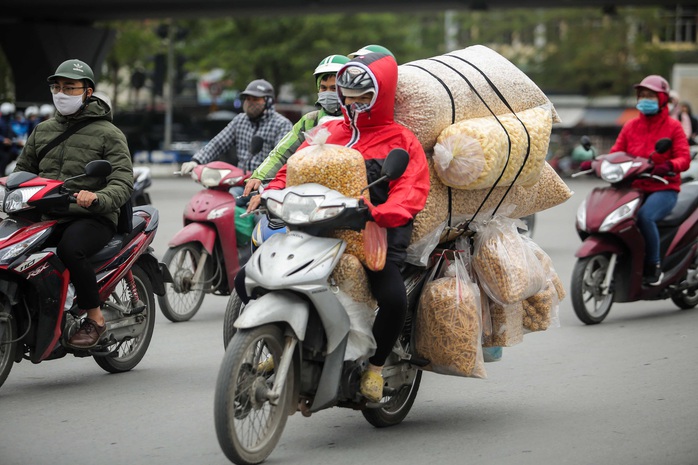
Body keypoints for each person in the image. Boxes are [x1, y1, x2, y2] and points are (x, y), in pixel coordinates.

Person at [239, 53, 430, 402]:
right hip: (315, 229)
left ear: (381, 95)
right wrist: (270, 192)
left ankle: (373, 366)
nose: (353, 104)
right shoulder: (326, 131)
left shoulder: (401, 140)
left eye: (363, 97)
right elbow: (292, 169)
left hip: (373, 234)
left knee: (391, 296)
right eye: (348, 96)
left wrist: (380, 212)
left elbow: (411, 190)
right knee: (244, 278)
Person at [14, 58, 133, 348]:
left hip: (91, 216)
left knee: (70, 248)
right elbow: (21, 172)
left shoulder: (109, 133)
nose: (61, 93)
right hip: (45, 213)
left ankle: (95, 318)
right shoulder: (42, 131)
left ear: (88, 92)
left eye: (70, 88)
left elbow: (122, 182)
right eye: (57, 87)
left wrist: (97, 198)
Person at [582, 75, 690, 285]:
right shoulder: (631, 126)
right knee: (613, 217)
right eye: (642, 95)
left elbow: (684, 158)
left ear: (661, 99)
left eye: (650, 95)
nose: (644, 99)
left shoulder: (673, 127)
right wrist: (597, 162)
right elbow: (616, 153)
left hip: (663, 188)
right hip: (633, 186)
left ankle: (653, 265)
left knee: (645, 217)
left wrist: (670, 165)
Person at [242, 54, 350, 198]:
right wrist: (259, 176)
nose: (328, 93)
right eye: (323, 88)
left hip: (346, 195)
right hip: (306, 196)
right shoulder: (310, 120)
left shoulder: (355, 122)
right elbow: (282, 153)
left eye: (334, 88)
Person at [180, 79, 293, 200]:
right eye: (247, 99)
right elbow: (218, 143)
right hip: (240, 181)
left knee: (262, 214)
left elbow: (282, 158)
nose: (250, 103)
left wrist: (262, 177)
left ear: (268, 101)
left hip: (267, 185)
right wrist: (196, 161)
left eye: (255, 99)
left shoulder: (282, 124)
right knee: (220, 201)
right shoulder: (240, 120)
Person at [0, 102, 21, 175]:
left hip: (7, 149)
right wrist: (3, 140)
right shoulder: (2, 122)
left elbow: (11, 134)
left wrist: (17, 140)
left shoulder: (8, 122)